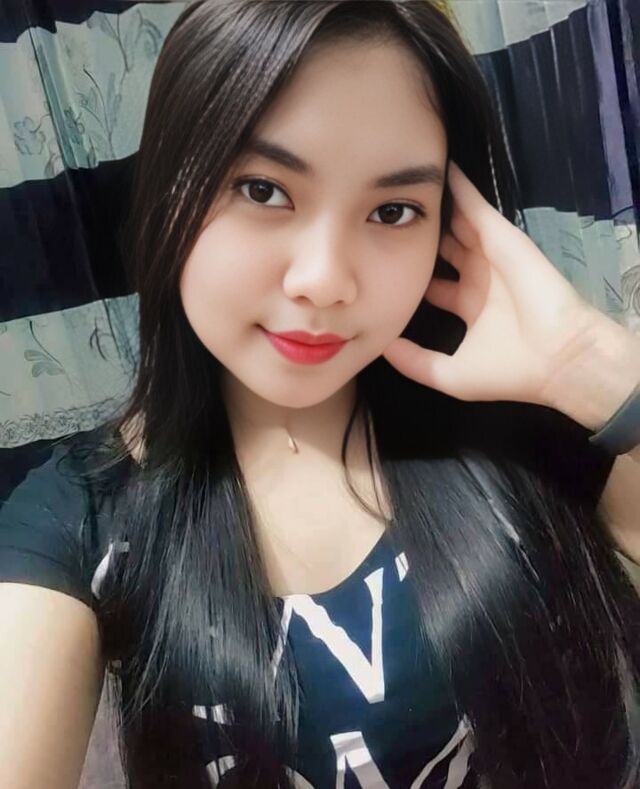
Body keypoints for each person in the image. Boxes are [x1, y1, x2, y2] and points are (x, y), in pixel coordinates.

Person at [1, 1, 639, 787]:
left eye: (393, 210)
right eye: (263, 189)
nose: (325, 279)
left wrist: (591, 363)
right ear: (170, 191)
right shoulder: (79, 516)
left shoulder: (520, 424)